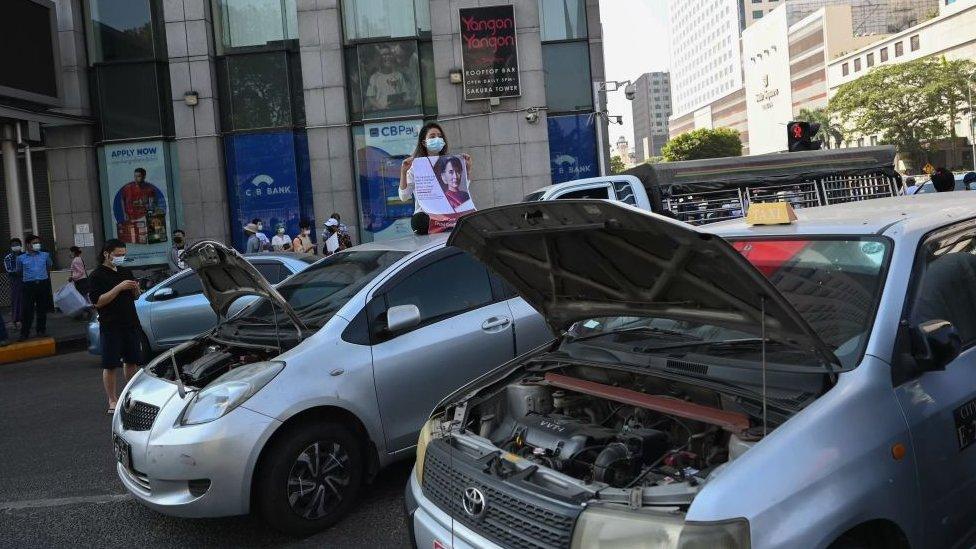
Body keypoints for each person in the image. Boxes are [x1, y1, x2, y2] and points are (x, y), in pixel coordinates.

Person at [88, 239, 141, 414]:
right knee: (110, 364)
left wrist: (135, 289)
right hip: (111, 325)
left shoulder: (125, 271)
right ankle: (112, 399)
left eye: (123, 255)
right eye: (118, 255)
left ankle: (131, 394)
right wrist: (118, 287)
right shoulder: (97, 275)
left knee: (131, 361)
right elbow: (98, 302)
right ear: (106, 253)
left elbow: (135, 297)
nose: (121, 258)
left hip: (130, 321)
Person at [399, 123, 473, 231]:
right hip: (426, 218)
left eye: (440, 136)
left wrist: (467, 168)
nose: (437, 139)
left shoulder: (449, 162)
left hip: (450, 213)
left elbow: (462, 189)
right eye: (432, 136)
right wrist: (403, 171)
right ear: (424, 142)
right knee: (420, 221)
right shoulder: (416, 166)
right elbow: (404, 197)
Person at [15, 235, 53, 341]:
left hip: (42, 284)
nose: (37, 245)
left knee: (42, 309)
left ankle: (41, 330)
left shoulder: (45, 255)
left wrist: (43, 277)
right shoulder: (21, 258)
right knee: (27, 310)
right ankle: (24, 333)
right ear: (28, 245)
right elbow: (19, 271)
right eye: (34, 243)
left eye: (38, 243)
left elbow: (48, 266)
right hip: (28, 285)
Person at [3, 238, 24, 328]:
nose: (15, 246)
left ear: (21, 245)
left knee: (26, 301)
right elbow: (9, 270)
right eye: (13, 245)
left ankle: (25, 320)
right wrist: (21, 270)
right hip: (15, 281)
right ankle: (15, 320)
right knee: (16, 300)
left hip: (26, 280)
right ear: (11, 247)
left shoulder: (25, 255)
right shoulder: (8, 257)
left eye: (17, 244)